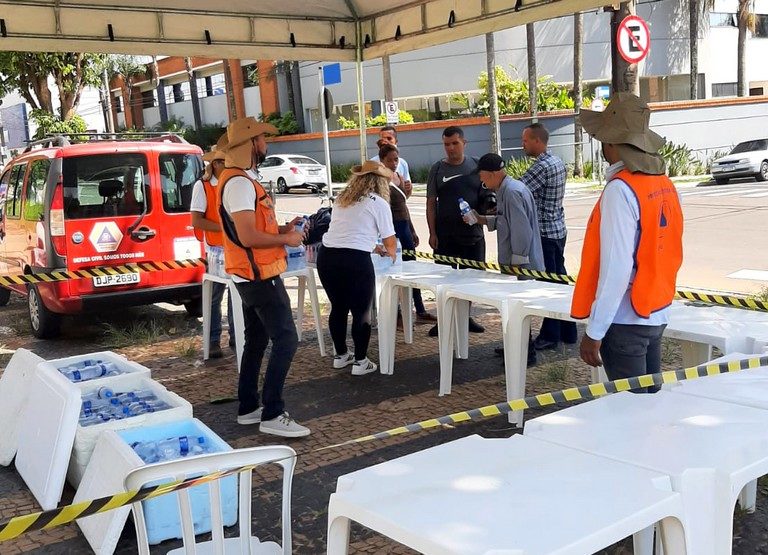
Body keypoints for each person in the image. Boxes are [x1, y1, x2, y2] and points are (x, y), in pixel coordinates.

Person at [572, 93, 684, 392]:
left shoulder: (620, 191)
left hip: (623, 321)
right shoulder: (664, 185)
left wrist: (594, 332)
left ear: (611, 144)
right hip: (654, 312)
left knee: (631, 416)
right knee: (648, 406)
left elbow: (616, 269)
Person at [217, 117, 310, 437]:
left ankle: (248, 407)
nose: (266, 144)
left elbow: (254, 230)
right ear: (250, 144)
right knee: (287, 339)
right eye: (261, 139)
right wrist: (286, 239)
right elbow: (246, 236)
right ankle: (272, 412)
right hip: (258, 275)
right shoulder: (240, 183)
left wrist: (284, 228)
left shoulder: (239, 179)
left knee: (256, 340)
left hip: (250, 274)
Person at [317, 160, 397, 376]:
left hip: (327, 256)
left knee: (338, 307)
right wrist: (389, 252)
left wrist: (372, 246)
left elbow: (348, 233)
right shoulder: (378, 202)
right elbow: (391, 242)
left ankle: (341, 356)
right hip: (354, 261)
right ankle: (361, 361)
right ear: (381, 182)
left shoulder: (343, 199)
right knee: (361, 311)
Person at [466, 153, 545, 366]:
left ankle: (525, 354)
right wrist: (481, 219)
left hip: (520, 264)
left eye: (482, 175)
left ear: (492, 174)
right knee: (514, 308)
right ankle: (516, 346)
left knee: (519, 308)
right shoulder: (507, 190)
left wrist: (516, 264)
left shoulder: (511, 192)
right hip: (516, 261)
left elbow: (521, 231)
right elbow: (506, 221)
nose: (481, 180)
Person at [426, 125, 492, 337]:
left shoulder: (475, 165)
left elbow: (488, 195)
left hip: (473, 236)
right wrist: (432, 232)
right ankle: (444, 319)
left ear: (464, 143)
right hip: (445, 237)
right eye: (446, 144)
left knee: (470, 280)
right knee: (445, 280)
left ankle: (466, 317)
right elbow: (430, 204)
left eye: (455, 143)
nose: (451, 148)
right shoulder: (437, 169)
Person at [520, 122, 578, 351]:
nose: (523, 145)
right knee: (560, 281)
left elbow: (520, 189)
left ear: (537, 141)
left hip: (544, 233)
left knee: (549, 285)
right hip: (558, 229)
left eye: (525, 140)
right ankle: (568, 330)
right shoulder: (557, 162)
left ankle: (550, 334)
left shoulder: (541, 167)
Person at [378, 142, 437, 324]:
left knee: (412, 269)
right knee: (394, 270)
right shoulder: (380, 180)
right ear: (382, 161)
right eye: (390, 160)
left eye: (396, 159)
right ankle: (396, 313)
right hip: (391, 228)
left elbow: (404, 205)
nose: (394, 163)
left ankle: (419, 309)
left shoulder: (399, 176)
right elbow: (383, 210)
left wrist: (412, 229)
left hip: (404, 225)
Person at [190, 138, 233, 358]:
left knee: (237, 294)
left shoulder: (231, 183)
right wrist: (224, 228)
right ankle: (214, 340)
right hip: (215, 249)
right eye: (224, 161)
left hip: (233, 247)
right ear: (215, 164)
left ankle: (236, 337)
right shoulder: (203, 186)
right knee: (216, 296)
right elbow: (197, 220)